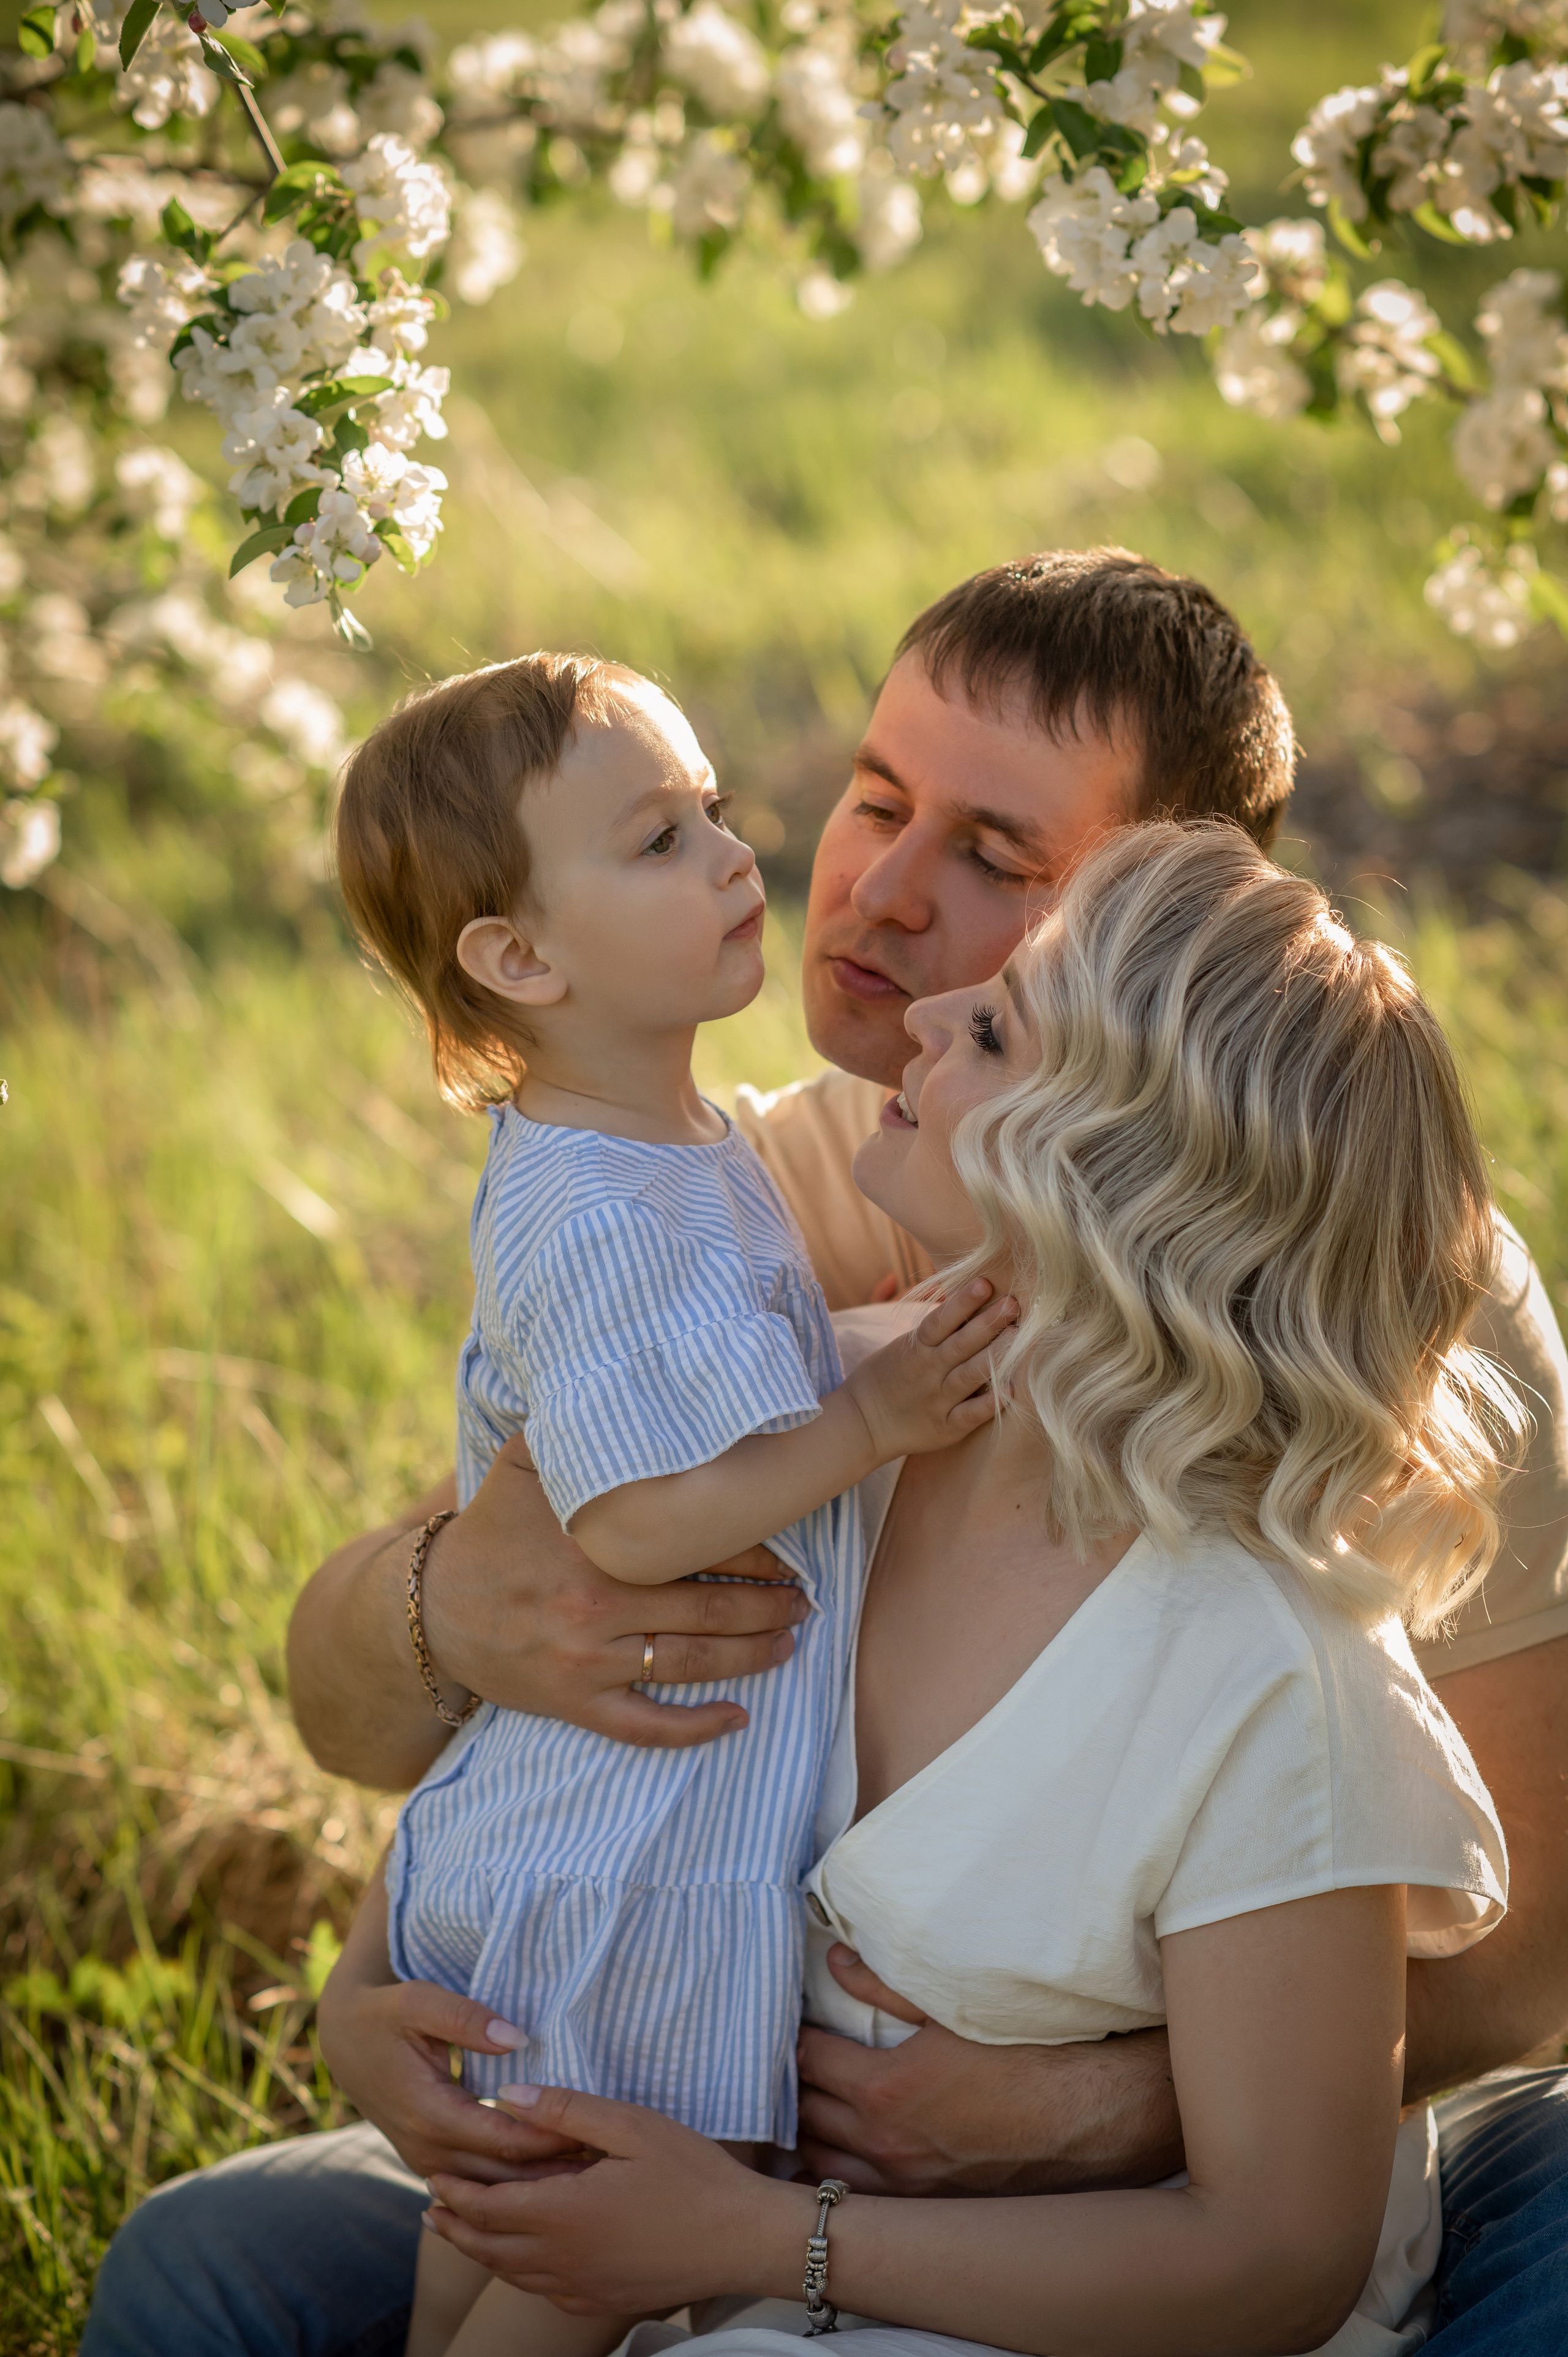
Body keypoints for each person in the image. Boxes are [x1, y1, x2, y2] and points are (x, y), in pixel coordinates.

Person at [80, 553, 1568, 2355]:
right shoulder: (737, 1197)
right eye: (875, 799)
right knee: (206, 2266)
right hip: (706, 2099)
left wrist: (1098, 2113)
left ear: (1180, 944)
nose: (874, 891)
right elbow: (403, 1696)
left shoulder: (1383, 1306)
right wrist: (399, 1871)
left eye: (999, 862)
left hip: (1108, 2190)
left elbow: (1505, 1956)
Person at [355, 820, 1515, 2357]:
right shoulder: (830, 1420)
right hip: (680, 2211)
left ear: (1110, 1164)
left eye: (990, 1028)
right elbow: (554, 1740)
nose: (916, 1018)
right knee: (215, 2271)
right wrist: (369, 1997)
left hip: (1043, 2312)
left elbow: (1275, 2254)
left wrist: (766, 2237)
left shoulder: (1266, 1669)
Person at [327, 649, 1012, 2357]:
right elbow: (632, 1525)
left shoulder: (672, 1144)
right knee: (579, 2259)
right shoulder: (601, 1209)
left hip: (630, 1821)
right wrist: (868, 1420)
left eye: (714, 809)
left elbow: (724, 1375)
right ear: (519, 957)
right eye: (656, 839)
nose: (732, 854)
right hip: (625, 1856)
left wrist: (863, 1349)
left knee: (510, 2238)